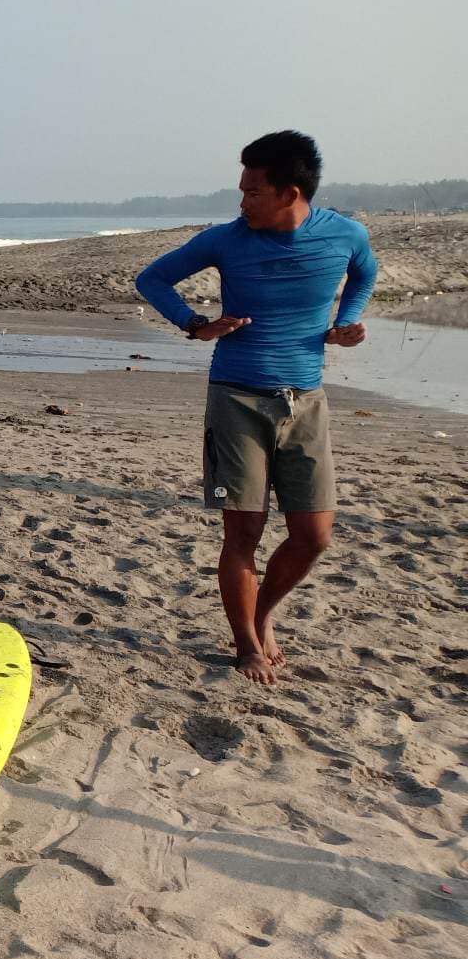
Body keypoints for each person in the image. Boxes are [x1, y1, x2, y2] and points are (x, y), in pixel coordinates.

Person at [134, 130, 378, 686]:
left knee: (314, 535)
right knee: (242, 532)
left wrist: (347, 320)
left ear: (290, 193)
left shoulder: (344, 235)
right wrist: (196, 325)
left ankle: (264, 614)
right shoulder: (226, 239)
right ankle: (245, 643)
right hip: (237, 398)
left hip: (306, 401)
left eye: (252, 192)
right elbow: (152, 278)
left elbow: (365, 270)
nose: (241, 202)